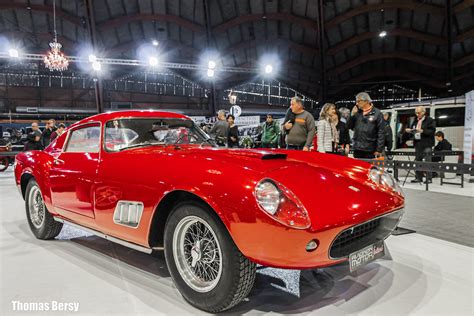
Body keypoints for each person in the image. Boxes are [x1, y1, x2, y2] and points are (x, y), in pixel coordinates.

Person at [347, 92, 385, 159]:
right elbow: (348, 126)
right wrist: (352, 115)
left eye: (358, 101)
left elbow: (381, 132)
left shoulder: (377, 113)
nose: (356, 103)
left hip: (371, 149)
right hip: (357, 148)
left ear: (366, 101)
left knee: (369, 168)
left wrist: (378, 149)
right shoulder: (357, 113)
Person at [405, 105, 436, 183]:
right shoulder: (415, 120)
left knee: (427, 161)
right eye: (416, 113)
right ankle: (418, 177)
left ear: (423, 112)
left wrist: (422, 131)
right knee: (418, 161)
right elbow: (414, 129)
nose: (417, 114)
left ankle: (429, 178)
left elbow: (432, 131)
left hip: (427, 143)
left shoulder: (430, 120)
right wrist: (410, 131)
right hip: (418, 143)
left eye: (418, 113)